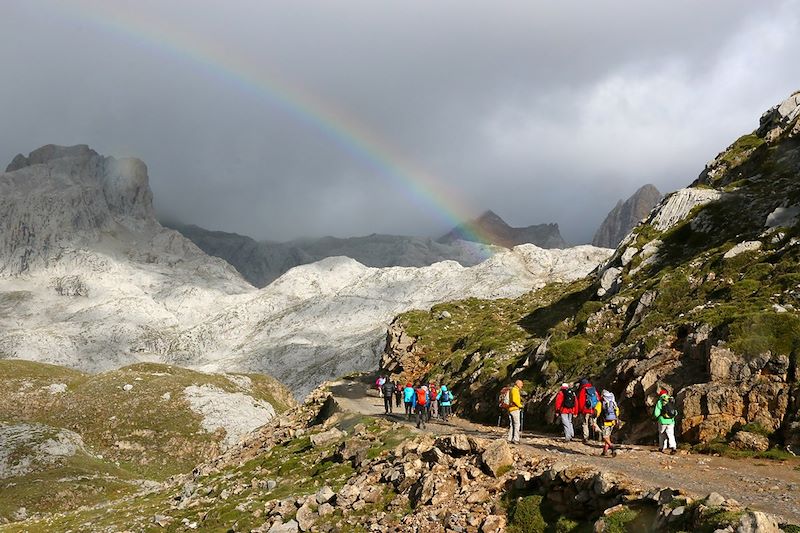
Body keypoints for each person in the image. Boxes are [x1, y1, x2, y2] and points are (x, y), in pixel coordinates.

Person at [654, 388, 678, 454]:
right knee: (671, 434)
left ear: (660, 395)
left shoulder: (660, 401)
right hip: (671, 421)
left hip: (662, 421)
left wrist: (656, 417)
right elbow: (675, 412)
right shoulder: (671, 400)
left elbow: (656, 413)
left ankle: (662, 448)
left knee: (662, 434)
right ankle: (673, 447)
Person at [576, 378, 600, 443]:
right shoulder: (594, 390)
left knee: (585, 424)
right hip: (594, 410)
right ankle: (599, 432)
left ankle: (585, 438)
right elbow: (598, 399)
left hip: (585, 410)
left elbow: (581, 401)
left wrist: (580, 411)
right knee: (593, 423)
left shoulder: (583, 390)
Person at [599, 389, 619, 457]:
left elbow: (597, 411)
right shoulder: (612, 401)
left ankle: (612, 447)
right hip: (612, 422)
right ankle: (604, 452)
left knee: (604, 437)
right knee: (608, 437)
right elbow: (617, 411)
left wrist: (593, 418)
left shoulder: (601, 402)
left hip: (605, 422)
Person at [507, 380, 524, 444]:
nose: (522, 385)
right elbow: (515, 400)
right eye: (521, 384)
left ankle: (509, 438)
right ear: (517, 384)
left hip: (510, 409)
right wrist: (520, 406)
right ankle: (516, 439)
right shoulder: (515, 390)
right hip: (515, 409)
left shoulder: (512, 389)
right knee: (517, 424)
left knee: (512, 425)